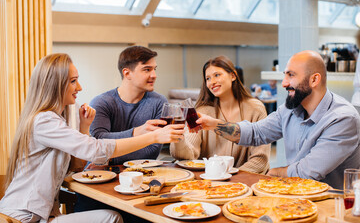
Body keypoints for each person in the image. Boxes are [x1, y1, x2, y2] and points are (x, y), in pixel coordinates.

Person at [0, 53, 184, 223]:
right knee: (111, 218)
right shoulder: (44, 121)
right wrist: (153, 137)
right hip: (23, 217)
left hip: (41, 214)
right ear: (55, 84)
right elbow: (95, 150)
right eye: (73, 81)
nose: (79, 87)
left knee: (112, 216)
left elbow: (78, 165)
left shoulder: (54, 119)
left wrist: (84, 127)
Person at [196, 50, 360, 189]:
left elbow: (307, 172)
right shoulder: (289, 110)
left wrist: (273, 173)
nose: (284, 83)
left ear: (314, 80)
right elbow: (256, 132)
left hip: (334, 203)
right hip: (296, 195)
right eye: (285, 75)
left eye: (291, 75)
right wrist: (213, 124)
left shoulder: (343, 118)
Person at [170, 55, 271, 174]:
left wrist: (228, 178)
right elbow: (187, 156)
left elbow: (260, 160)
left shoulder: (255, 109)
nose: (212, 82)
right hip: (208, 181)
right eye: (207, 78)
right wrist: (178, 138)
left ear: (233, 76)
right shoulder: (202, 111)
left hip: (242, 182)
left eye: (217, 75)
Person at [89, 45, 167, 165]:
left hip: (143, 174)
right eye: (147, 69)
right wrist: (137, 132)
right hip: (101, 174)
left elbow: (152, 150)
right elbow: (98, 143)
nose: (154, 75)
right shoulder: (101, 102)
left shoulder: (159, 102)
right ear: (127, 73)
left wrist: (109, 156)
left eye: (154, 69)